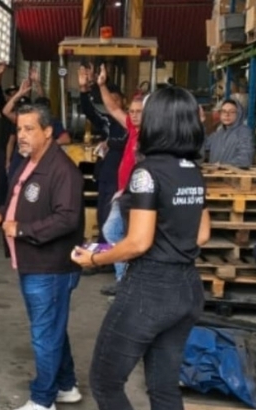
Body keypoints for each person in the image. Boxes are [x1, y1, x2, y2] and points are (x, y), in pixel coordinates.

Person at [72, 87, 210, 410]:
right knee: (164, 388)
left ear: (157, 122)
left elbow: (138, 242)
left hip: (150, 290)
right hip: (188, 290)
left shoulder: (147, 173)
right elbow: (202, 235)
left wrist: (96, 258)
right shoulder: (193, 171)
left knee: (105, 383)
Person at [0, 103, 85, 410]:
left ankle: (43, 400)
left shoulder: (63, 170)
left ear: (48, 132)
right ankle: (66, 385)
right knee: (52, 327)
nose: (22, 135)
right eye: (19, 129)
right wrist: (2, 213)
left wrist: (21, 229)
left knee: (44, 333)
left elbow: (67, 219)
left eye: (30, 129)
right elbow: (18, 199)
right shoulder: (29, 162)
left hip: (50, 266)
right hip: (33, 262)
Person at [95, 64, 145, 296]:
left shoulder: (150, 135)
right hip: (124, 192)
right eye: (132, 111)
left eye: (139, 112)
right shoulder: (133, 129)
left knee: (116, 232)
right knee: (116, 232)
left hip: (137, 196)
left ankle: (126, 280)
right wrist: (102, 85)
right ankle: (124, 280)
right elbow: (113, 107)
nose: (133, 115)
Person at [77, 65, 126, 249]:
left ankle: (109, 254)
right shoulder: (107, 122)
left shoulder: (129, 123)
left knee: (110, 217)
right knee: (101, 214)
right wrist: (84, 89)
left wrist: (109, 143)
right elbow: (89, 111)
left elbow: (125, 143)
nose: (112, 104)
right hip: (105, 175)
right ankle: (103, 250)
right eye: (109, 100)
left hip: (118, 178)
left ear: (123, 101)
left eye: (116, 100)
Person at [0, 62, 18, 207]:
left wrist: (37, 84)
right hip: (3, 150)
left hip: (20, 151)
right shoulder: (4, 109)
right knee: (2, 181)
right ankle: (2, 208)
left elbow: (42, 103)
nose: (13, 98)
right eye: (10, 96)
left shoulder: (24, 110)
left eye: (16, 95)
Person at [202, 99, 254, 167]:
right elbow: (204, 145)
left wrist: (223, 165)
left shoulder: (243, 132)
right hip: (215, 173)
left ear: (239, 114)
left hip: (232, 173)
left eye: (232, 112)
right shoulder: (219, 133)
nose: (227, 115)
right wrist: (200, 124)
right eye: (224, 111)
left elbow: (245, 159)